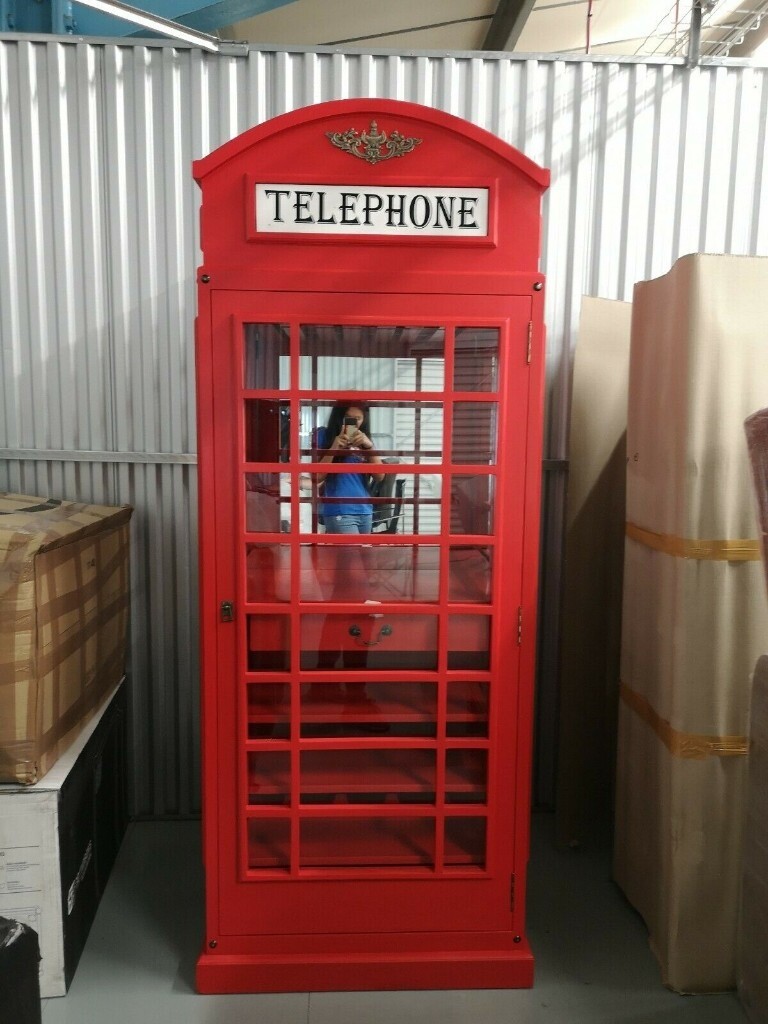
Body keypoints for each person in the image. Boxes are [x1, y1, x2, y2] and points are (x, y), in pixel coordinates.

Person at [316, 403, 383, 534]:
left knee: (363, 548)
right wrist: (335, 447)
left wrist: (369, 447)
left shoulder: (364, 440)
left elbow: (380, 476)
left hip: (365, 510)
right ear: (339, 417)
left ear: (364, 420)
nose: (353, 423)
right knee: (352, 548)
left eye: (358, 418)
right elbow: (317, 476)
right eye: (348, 417)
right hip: (340, 510)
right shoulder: (325, 435)